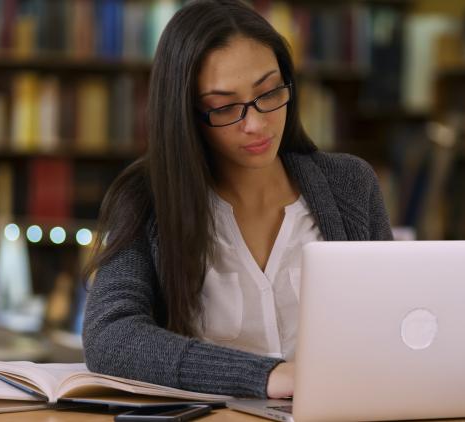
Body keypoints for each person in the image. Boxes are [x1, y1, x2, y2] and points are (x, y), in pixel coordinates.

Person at [82, 0, 393, 400]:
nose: (257, 123)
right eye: (226, 107)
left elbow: (391, 322)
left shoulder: (350, 184)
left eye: (269, 92)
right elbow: (111, 337)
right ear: (186, 114)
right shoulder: (146, 198)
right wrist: (267, 376)